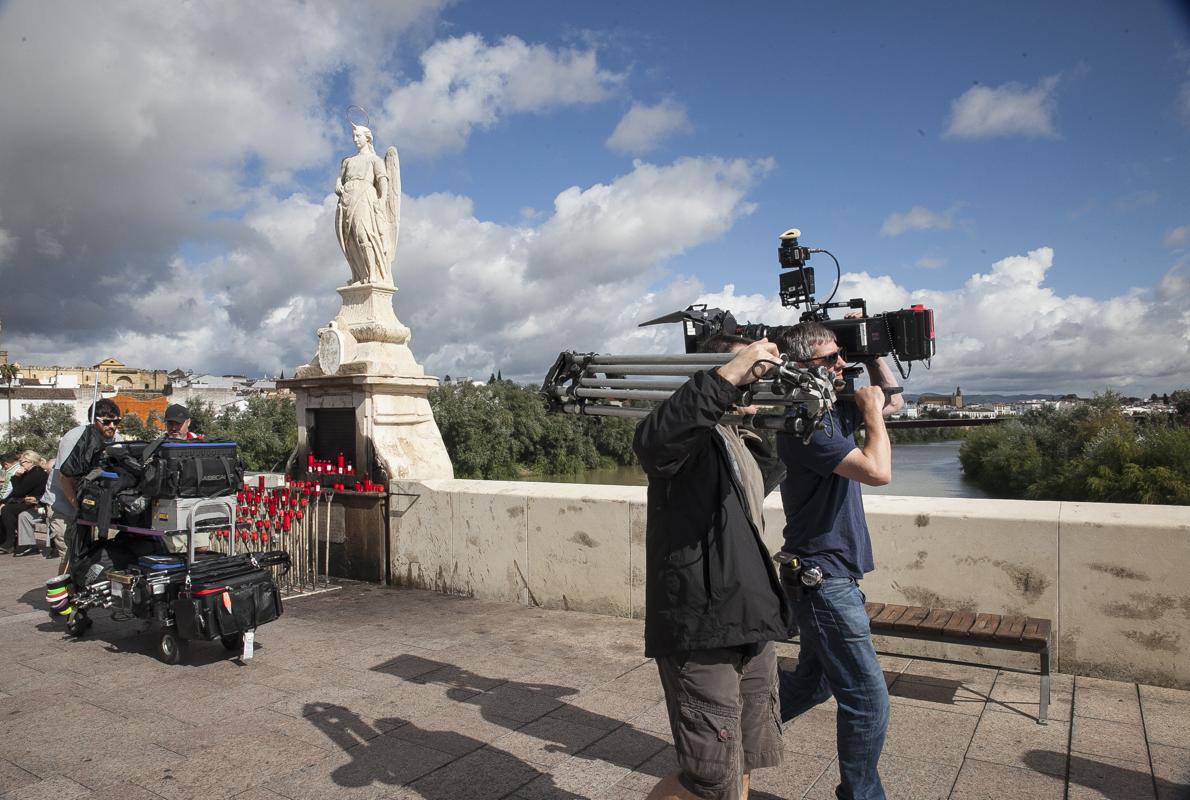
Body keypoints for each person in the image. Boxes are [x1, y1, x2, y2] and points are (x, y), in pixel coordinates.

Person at [633, 334, 791, 800]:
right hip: (702, 626)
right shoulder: (685, 439)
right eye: (748, 374)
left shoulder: (738, 441)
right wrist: (730, 375)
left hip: (751, 618)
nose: (753, 385)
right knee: (708, 779)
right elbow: (653, 441)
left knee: (745, 760)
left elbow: (758, 486)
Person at [774, 321, 903, 800]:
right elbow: (878, 471)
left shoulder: (827, 412)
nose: (841, 364)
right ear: (800, 367)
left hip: (827, 576)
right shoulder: (805, 425)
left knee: (812, 686)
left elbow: (894, 402)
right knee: (867, 700)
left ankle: (728, 739)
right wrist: (870, 411)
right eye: (831, 359)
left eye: (841, 355)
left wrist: (875, 353)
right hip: (822, 579)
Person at [55, 398, 122, 572]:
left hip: (92, 505)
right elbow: (64, 478)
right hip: (65, 504)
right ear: (94, 420)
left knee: (91, 555)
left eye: (116, 422)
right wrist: (78, 508)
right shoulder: (74, 438)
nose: (112, 426)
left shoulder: (116, 438)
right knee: (70, 555)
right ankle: (64, 588)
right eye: (106, 422)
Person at [335, 123, 399, 286]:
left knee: (363, 234)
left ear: (367, 138)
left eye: (358, 136)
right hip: (347, 198)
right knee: (349, 238)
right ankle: (360, 275)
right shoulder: (348, 161)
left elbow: (382, 179)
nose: (355, 139)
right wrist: (338, 183)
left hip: (364, 196)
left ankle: (372, 274)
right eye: (354, 136)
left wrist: (382, 199)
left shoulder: (374, 160)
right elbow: (341, 178)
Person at [6, 450, 49, 556]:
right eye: (20, 462)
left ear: (31, 461)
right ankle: (26, 544)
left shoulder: (36, 473)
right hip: (33, 503)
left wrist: (16, 476)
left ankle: (10, 541)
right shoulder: (29, 473)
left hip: (40, 505)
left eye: (23, 462)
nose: (21, 464)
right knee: (20, 514)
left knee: (7, 510)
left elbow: (19, 491)